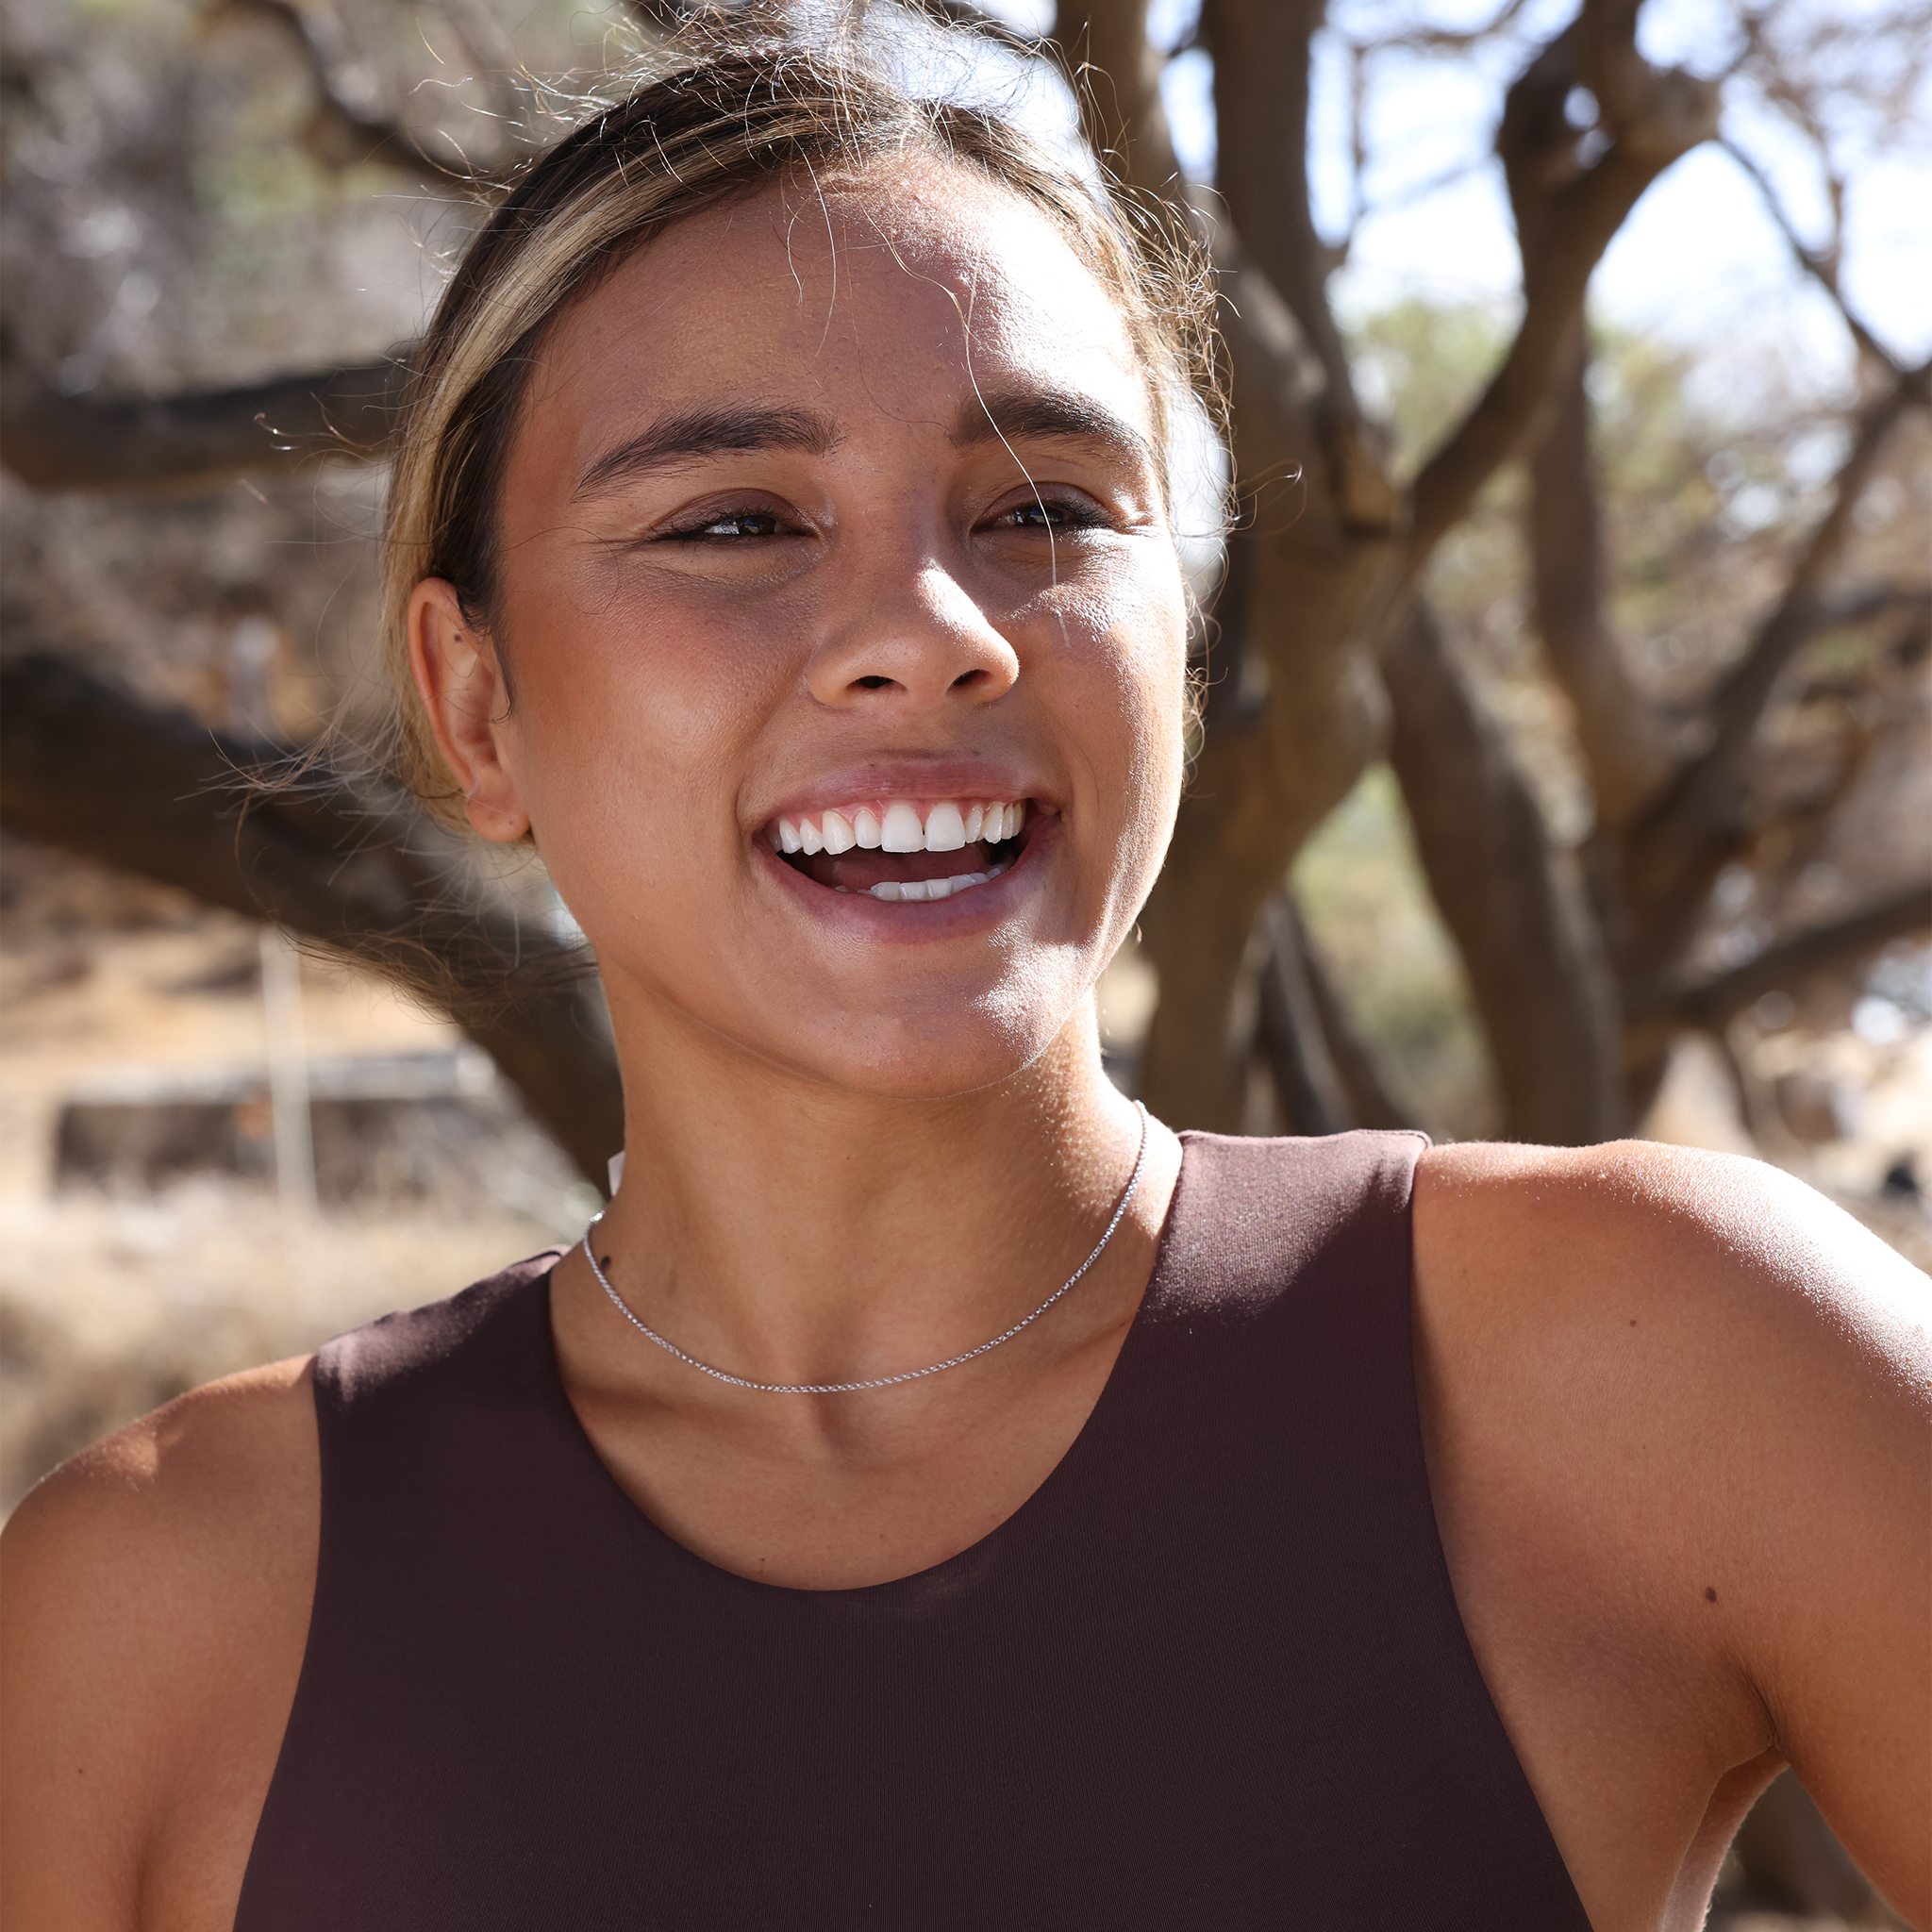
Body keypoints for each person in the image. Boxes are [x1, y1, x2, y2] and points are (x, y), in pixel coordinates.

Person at [2, 25, 1925, 1932]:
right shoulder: (159, 1610)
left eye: (1045, 513)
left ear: (1176, 643)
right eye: (734, 521)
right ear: (474, 700)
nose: (931, 638)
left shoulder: (1661, 1365)